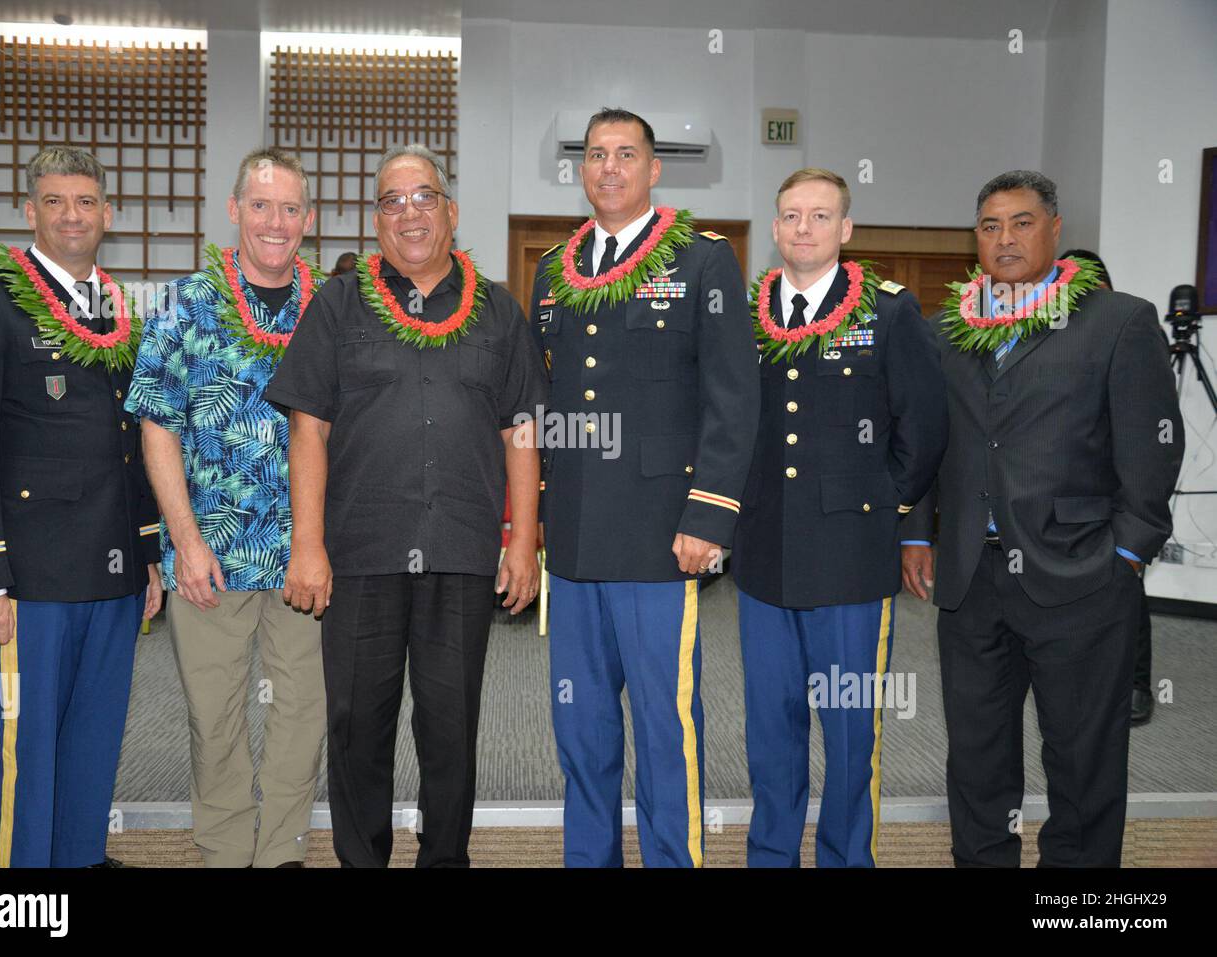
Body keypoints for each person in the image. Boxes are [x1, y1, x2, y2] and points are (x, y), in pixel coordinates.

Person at [265, 143, 547, 868]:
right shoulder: (340, 302)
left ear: (451, 212)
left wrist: (522, 543)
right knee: (358, 723)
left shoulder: (498, 310)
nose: (409, 213)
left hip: (461, 548)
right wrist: (307, 544)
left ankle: (444, 859)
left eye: (424, 197)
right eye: (392, 201)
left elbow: (523, 431)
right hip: (359, 552)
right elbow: (308, 426)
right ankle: (363, 859)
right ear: (375, 220)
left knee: (451, 726)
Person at [900, 171, 1183, 867]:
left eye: (1022, 223)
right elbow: (931, 444)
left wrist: (1128, 552)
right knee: (977, 752)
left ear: (1056, 231)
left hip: (1082, 573)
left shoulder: (1118, 321)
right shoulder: (945, 332)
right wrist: (915, 530)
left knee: (1082, 754)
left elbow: (1153, 446)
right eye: (991, 226)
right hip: (971, 579)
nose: (1005, 239)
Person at [530, 108, 759, 867]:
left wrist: (710, 514)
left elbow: (733, 395)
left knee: (668, 732)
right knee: (583, 732)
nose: (609, 168)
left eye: (626, 154)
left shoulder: (702, 260)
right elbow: (545, 402)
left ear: (655, 170)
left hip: (665, 536)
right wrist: (532, 519)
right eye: (596, 154)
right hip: (575, 539)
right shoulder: (553, 268)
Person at [0, 145, 162, 867]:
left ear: (106, 214)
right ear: (29, 212)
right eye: (55, 202)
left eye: (86, 201)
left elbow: (134, 436)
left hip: (112, 570)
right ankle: (24, 889)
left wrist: (147, 555)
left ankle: (80, 858)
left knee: (94, 733)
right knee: (27, 747)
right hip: (31, 579)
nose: (71, 216)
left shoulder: (115, 305)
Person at [733, 168, 947, 867]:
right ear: (774, 227)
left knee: (852, 731)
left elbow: (924, 425)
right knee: (771, 727)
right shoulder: (745, 312)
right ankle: (771, 854)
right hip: (765, 554)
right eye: (791, 215)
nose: (804, 228)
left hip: (853, 559)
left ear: (845, 230)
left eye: (821, 216)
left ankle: (847, 857)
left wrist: (884, 504)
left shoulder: (888, 312)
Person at [124, 147, 327, 868]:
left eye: (291, 208)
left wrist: (322, 542)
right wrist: (185, 537)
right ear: (235, 209)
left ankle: (280, 852)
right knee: (215, 719)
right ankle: (223, 850)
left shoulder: (333, 309)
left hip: (306, 558)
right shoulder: (185, 305)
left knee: (302, 713)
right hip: (208, 553)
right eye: (262, 205)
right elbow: (157, 423)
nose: (277, 222)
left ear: (310, 218)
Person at [1058, 248, 1155, 726]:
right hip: (1074, 494)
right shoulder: (1051, 336)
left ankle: (1137, 683)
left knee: (1126, 592)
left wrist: (1135, 531)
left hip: (1119, 494)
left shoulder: (1131, 329)